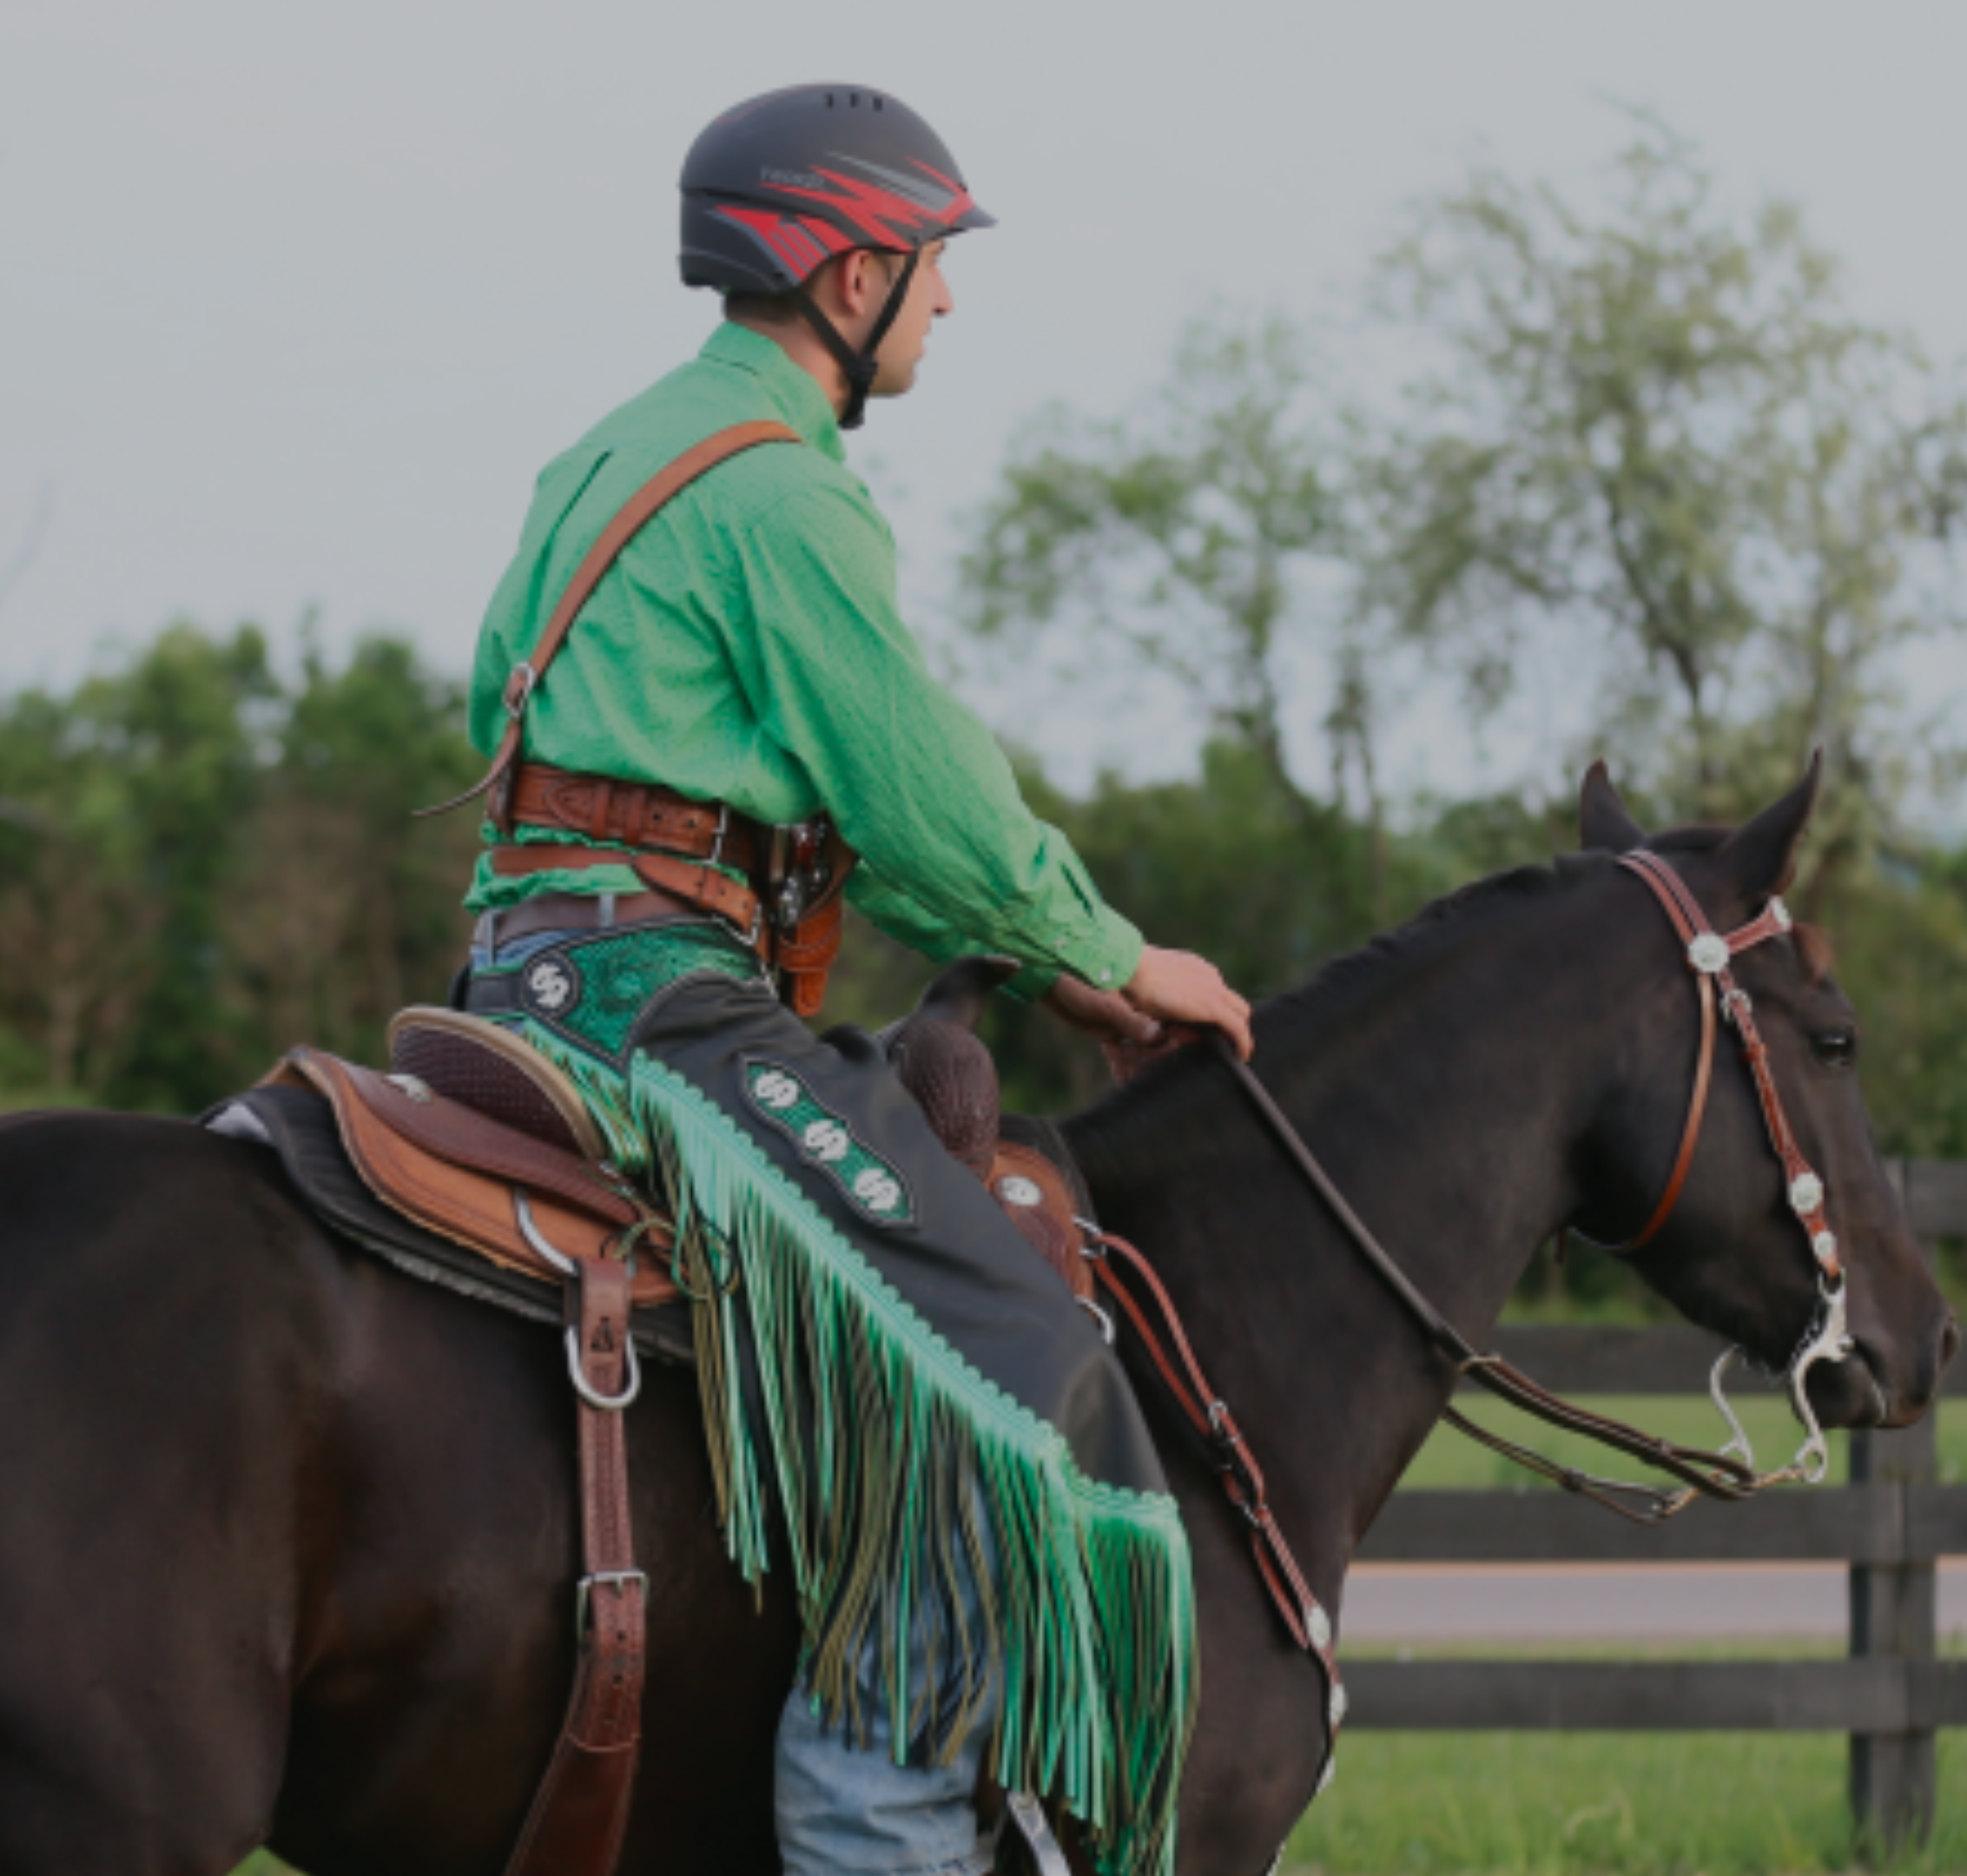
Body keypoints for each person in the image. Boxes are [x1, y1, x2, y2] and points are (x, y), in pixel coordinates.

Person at [446, 82, 1248, 1876]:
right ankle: (885, 1826)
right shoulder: (779, 499)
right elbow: (920, 795)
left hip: (522, 976)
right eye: (932, 264)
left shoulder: (601, 457)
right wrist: (1109, 955)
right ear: (846, 269)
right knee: (1002, 1353)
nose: (947, 303)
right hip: (658, 1002)